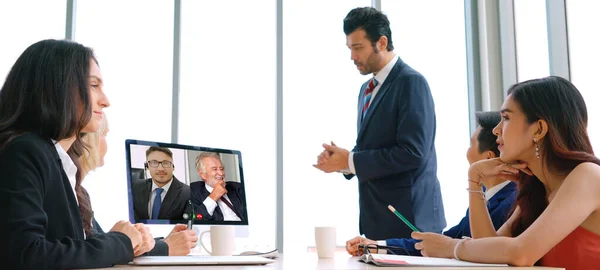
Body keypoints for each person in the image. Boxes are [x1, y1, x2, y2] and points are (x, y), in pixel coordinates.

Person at [413, 76, 600, 269]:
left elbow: (521, 253)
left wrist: (451, 246)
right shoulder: (538, 190)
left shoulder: (588, 176)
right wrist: (475, 178)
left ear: (539, 129)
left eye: (506, 118)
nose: (496, 130)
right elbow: (489, 250)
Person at [0, 39, 152, 269]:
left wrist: (131, 241)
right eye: (94, 85)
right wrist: (120, 242)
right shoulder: (25, 152)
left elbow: (70, 246)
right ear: (58, 87)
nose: (106, 100)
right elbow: (27, 254)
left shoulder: (58, 160)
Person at [313, 7, 445, 240]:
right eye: (349, 48)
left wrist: (351, 160)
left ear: (381, 43)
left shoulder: (411, 83)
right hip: (378, 222)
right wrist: (342, 162)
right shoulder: (366, 89)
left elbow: (413, 153)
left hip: (410, 222)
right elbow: (373, 148)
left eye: (358, 47)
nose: (352, 56)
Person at [346, 111, 517, 256]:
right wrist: (377, 245)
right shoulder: (485, 197)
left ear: (487, 157)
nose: (467, 151)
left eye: (470, 144)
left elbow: (482, 249)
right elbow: (443, 241)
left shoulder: (511, 202)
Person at [77, 115, 198, 256]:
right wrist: (165, 247)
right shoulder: (138, 187)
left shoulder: (81, 193)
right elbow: (98, 250)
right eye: (104, 135)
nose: (160, 169)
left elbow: (100, 247)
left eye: (165, 163)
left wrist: (164, 243)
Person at [132, 146, 191, 221]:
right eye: (154, 163)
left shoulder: (188, 193)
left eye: (165, 163)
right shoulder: (135, 186)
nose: (160, 169)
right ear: (147, 167)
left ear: (173, 167)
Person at [190, 152, 246, 221]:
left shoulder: (237, 187)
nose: (221, 173)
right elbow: (195, 219)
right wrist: (214, 196)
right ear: (202, 174)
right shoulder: (192, 192)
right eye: (215, 169)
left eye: (222, 169)